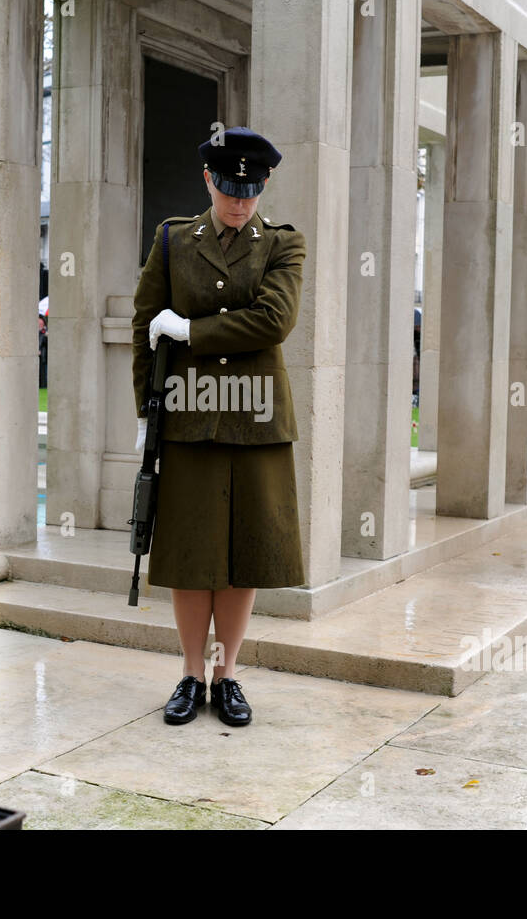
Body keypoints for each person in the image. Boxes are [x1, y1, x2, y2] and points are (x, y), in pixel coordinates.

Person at [130, 126, 307, 728]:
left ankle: (226, 674)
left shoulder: (284, 244)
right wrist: (144, 413)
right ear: (209, 180)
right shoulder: (174, 241)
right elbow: (143, 327)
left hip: (256, 416)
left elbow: (273, 321)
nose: (240, 201)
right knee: (189, 552)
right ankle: (189, 671)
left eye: (251, 190)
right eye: (230, 188)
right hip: (186, 412)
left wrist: (193, 331)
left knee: (242, 553)